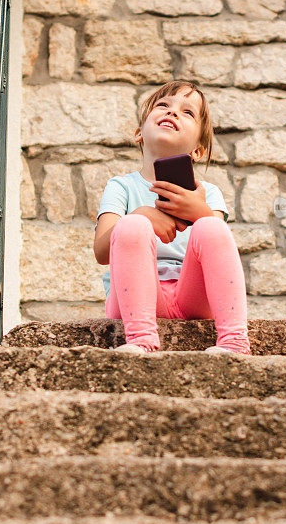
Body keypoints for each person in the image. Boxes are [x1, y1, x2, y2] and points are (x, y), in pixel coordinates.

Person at [93, 80, 250, 356]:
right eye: (163, 105)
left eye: (188, 112)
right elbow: (101, 253)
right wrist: (142, 215)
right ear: (139, 133)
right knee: (132, 224)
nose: (173, 112)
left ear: (198, 151)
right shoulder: (121, 186)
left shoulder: (207, 192)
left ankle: (235, 341)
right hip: (135, 299)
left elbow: (219, 245)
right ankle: (141, 339)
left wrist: (197, 211)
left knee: (212, 227)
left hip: (194, 298)